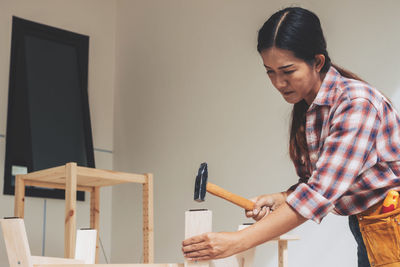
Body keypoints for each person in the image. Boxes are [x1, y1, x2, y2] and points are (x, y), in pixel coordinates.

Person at [182, 7, 400, 267]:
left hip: (391, 220)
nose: (279, 83)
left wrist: (236, 242)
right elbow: (315, 182)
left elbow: (319, 193)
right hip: (371, 224)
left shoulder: (356, 104)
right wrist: (282, 198)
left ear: (317, 62)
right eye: (270, 72)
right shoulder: (312, 107)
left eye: (287, 71)